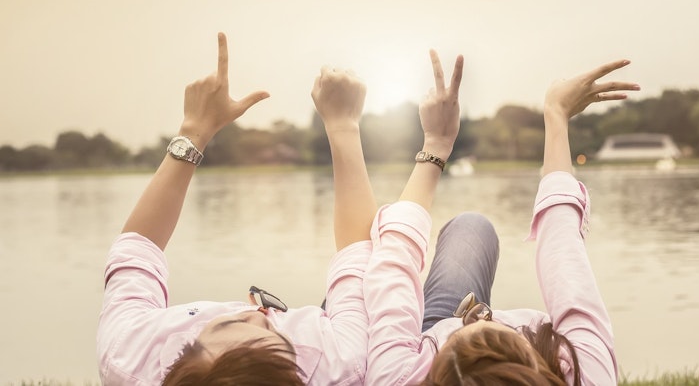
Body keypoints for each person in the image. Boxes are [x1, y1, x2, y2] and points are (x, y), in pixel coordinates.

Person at [96, 32, 377, 385]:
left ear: (181, 359)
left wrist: (195, 129)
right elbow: (359, 258)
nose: (260, 310)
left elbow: (136, 250)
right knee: (464, 230)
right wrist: (343, 124)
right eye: (278, 338)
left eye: (233, 321)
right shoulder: (340, 363)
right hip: (344, 335)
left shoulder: (130, 354)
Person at [363, 58, 640, 385]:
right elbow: (563, 249)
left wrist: (435, 145)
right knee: (472, 227)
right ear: (533, 364)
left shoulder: (396, 376)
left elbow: (392, 264)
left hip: (425, 343)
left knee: (466, 228)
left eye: (471, 321)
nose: (478, 313)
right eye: (489, 320)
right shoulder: (584, 373)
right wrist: (556, 115)